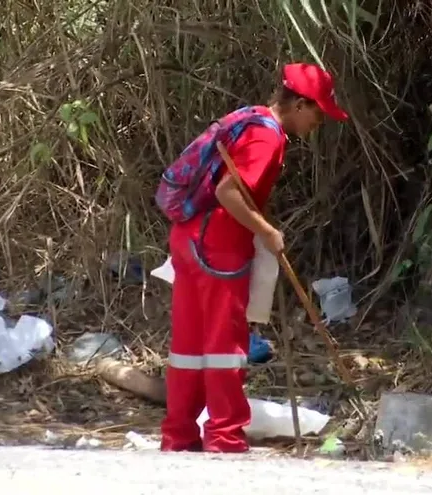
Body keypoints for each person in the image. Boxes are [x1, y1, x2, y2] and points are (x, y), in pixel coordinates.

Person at [159, 63, 348, 453]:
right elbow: (230, 192)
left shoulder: (250, 118)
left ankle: (178, 438)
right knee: (224, 346)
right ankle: (225, 438)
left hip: (188, 236)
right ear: (298, 104)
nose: (318, 123)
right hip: (219, 245)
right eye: (317, 113)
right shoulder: (268, 138)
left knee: (190, 347)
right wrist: (266, 231)